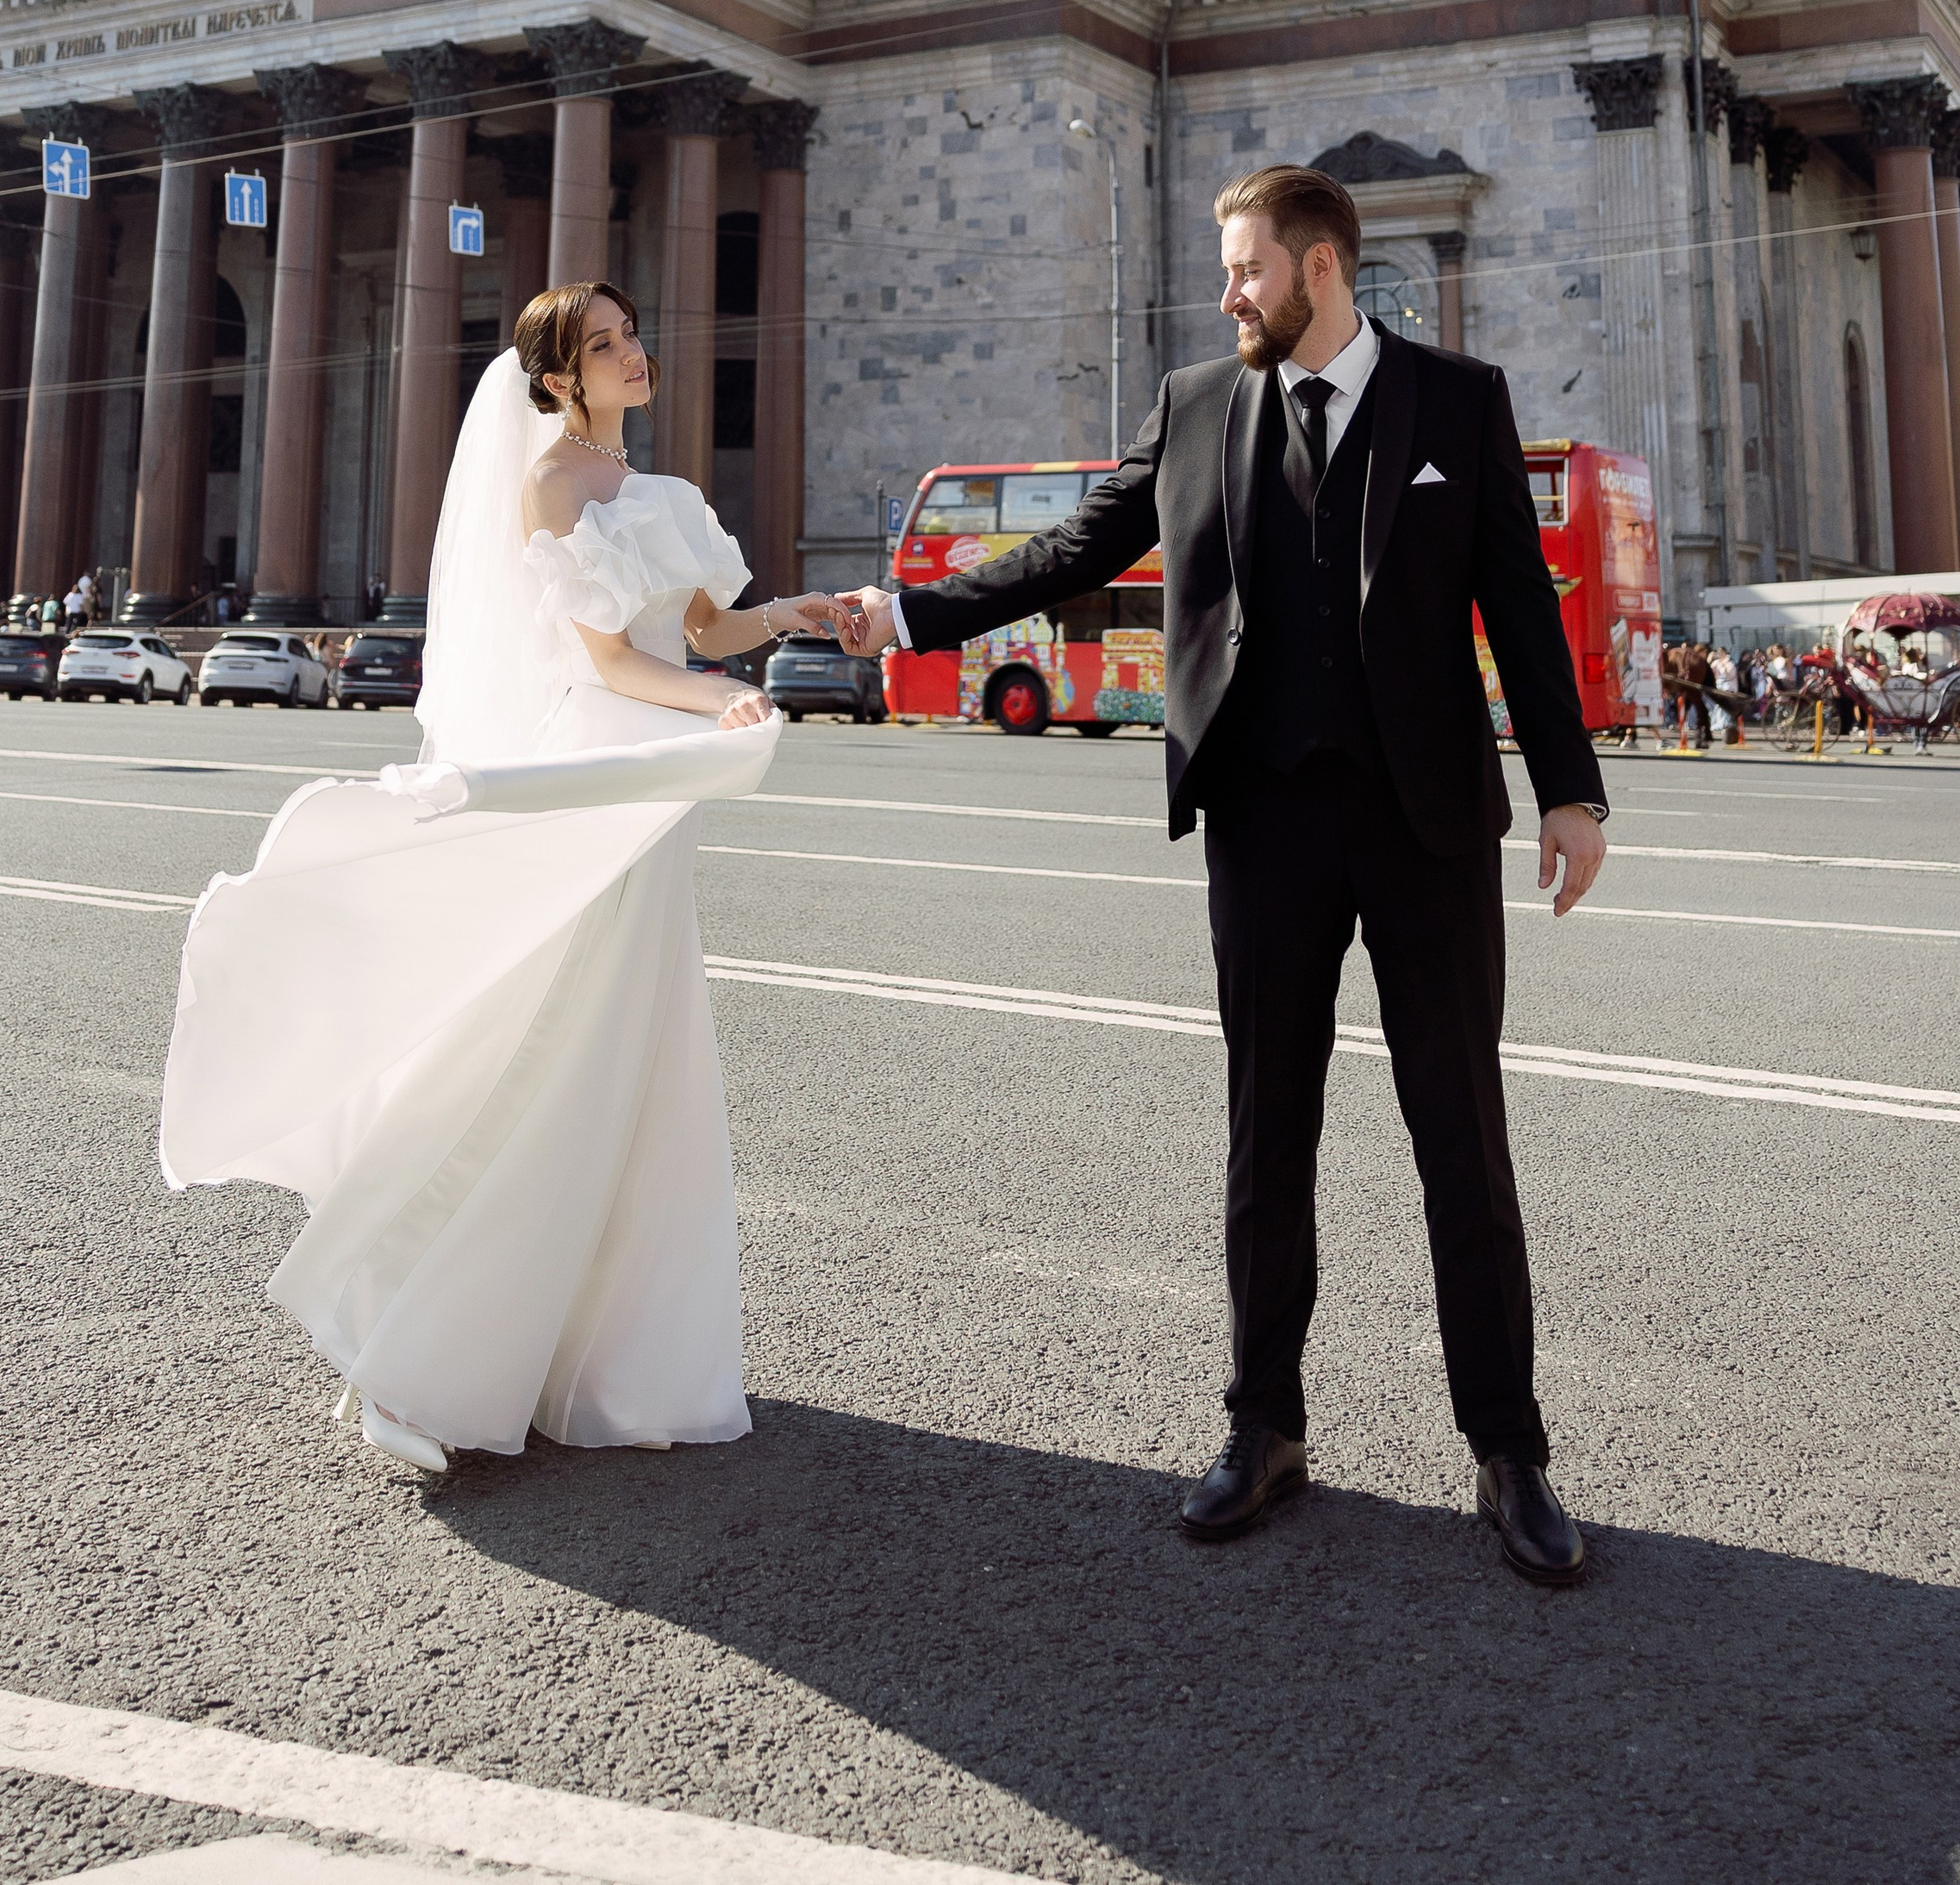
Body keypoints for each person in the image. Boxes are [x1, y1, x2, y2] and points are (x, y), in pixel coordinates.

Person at [840, 163, 1609, 1586]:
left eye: (1246, 267)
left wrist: (1570, 788)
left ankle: (1510, 1452)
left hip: (1428, 823)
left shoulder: (1458, 399)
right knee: (1270, 1136)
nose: (1227, 292)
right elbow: (1083, 542)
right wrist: (912, 609)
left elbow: (1519, 600)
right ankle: (1264, 1425)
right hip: (1265, 821)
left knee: (1463, 1141)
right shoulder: (1199, 405)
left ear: (1320, 268)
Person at [159, 280, 858, 1478]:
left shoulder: (671, 494)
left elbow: (708, 626)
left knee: (630, 1053)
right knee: (551, 1050)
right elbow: (612, 660)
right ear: (556, 381)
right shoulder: (545, 484)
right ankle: (410, 1354)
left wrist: (793, 613)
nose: (635, 352)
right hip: (593, 763)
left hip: (659, 776)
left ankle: (568, 1353)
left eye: (633, 332)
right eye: (605, 344)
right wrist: (718, 699)